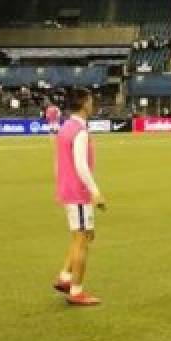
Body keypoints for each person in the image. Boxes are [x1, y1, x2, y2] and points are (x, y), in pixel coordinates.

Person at [52, 88, 106, 306]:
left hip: (67, 189)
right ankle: (76, 290)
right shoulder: (80, 131)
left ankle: (65, 276)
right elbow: (81, 165)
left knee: (84, 235)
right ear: (84, 103)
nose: (93, 104)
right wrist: (95, 192)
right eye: (91, 101)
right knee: (82, 239)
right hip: (78, 192)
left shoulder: (66, 128)